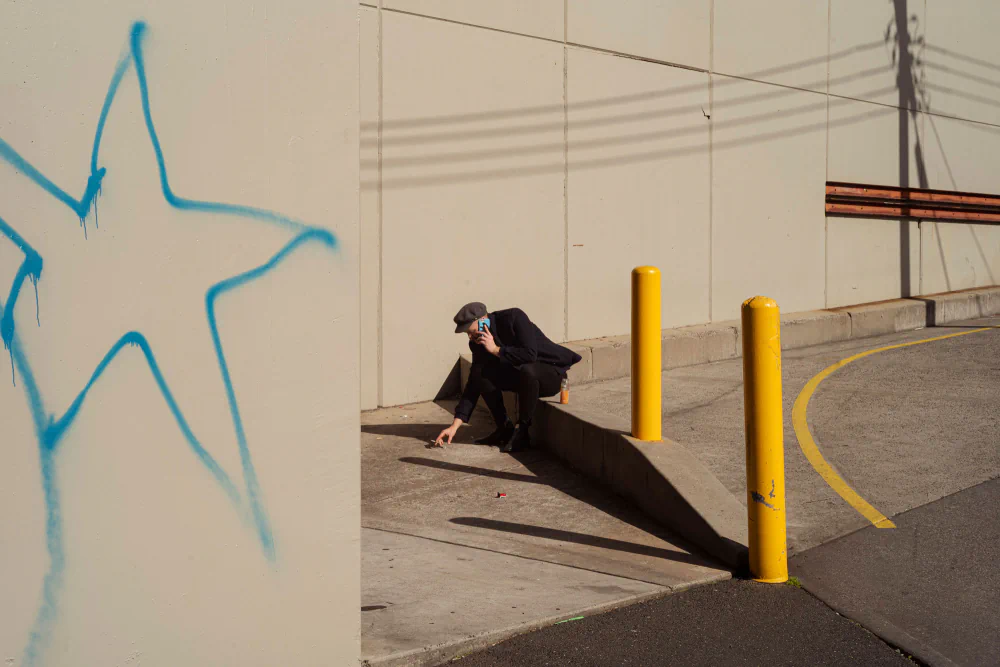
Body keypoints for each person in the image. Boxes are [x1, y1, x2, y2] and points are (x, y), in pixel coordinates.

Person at [435, 302, 582, 452]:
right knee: (480, 374)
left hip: (551, 375)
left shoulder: (513, 318)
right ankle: (504, 428)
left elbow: (530, 354)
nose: (470, 337)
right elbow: (473, 383)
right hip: (523, 380)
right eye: (467, 333)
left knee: (527, 370)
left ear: (482, 320)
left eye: (471, 331)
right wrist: (455, 426)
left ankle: (522, 432)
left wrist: (496, 350)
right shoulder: (478, 343)